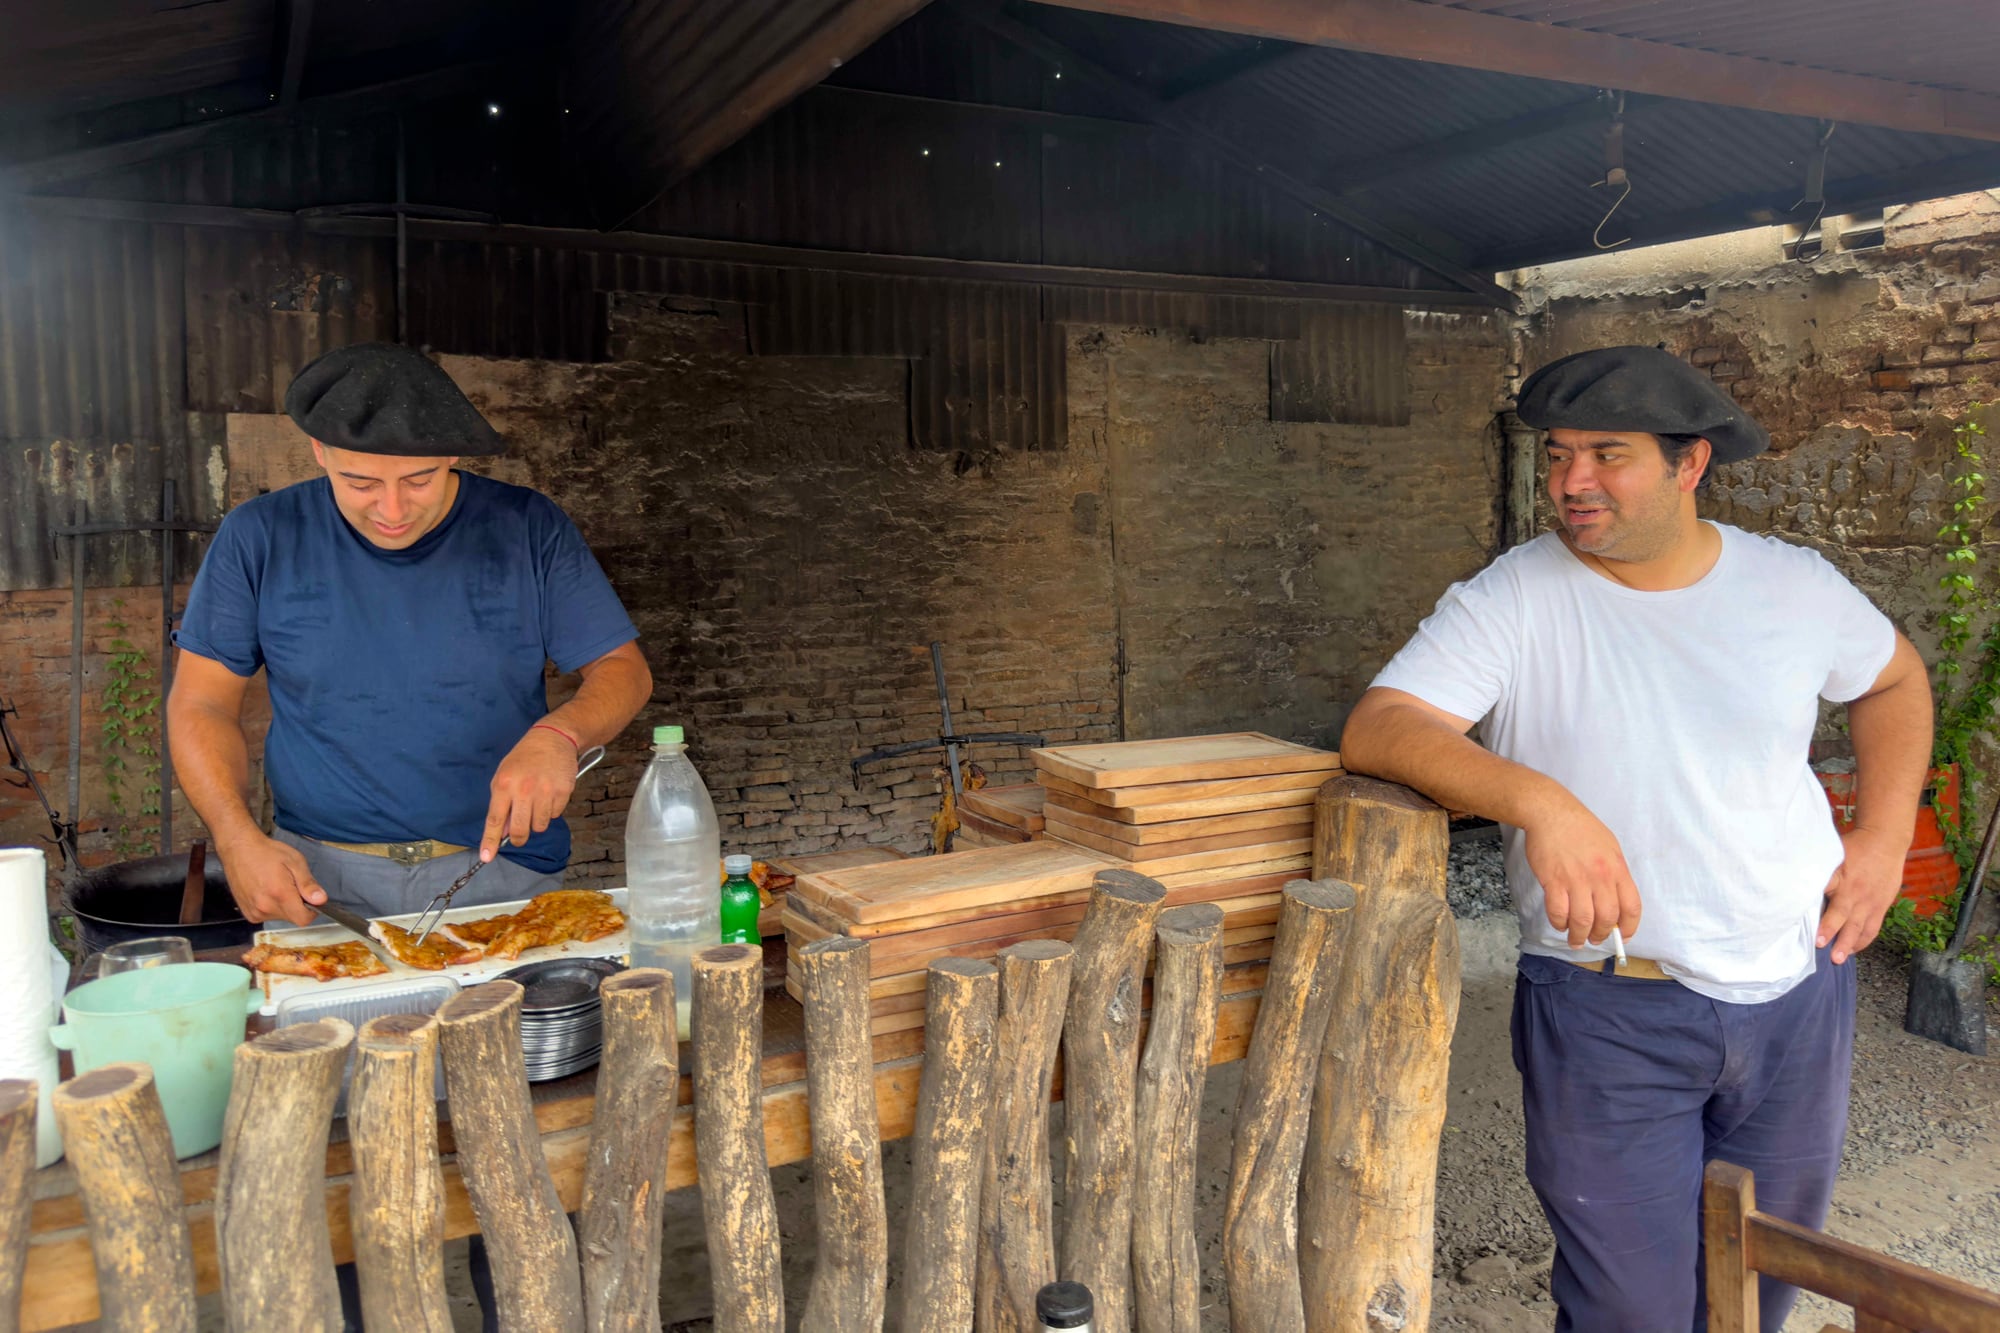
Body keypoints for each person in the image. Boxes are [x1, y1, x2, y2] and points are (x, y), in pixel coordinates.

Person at [1339, 345, 1932, 1331]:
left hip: (1798, 989)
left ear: (1686, 464)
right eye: (1557, 454)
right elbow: (1382, 725)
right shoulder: (1515, 595)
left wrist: (1882, 834)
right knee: (1631, 1309)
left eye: (1606, 454)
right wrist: (1540, 801)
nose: (1571, 482)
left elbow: (1890, 680)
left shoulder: (1792, 586)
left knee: (1761, 1283)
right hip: (1610, 1006)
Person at [168, 341, 653, 927]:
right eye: (362, 482)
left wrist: (560, 735)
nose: (392, 509)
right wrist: (235, 837)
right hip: (320, 882)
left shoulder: (527, 527)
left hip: (503, 868)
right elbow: (201, 702)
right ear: (319, 451)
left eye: (419, 480)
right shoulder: (260, 537)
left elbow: (623, 670)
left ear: (451, 456)